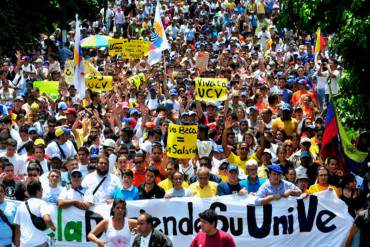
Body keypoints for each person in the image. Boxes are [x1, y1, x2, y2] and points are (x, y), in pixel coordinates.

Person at [13, 180, 56, 247]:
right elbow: (47, 219)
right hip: (39, 243)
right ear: (38, 191)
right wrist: (53, 226)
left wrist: (18, 245)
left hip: (24, 244)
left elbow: (17, 229)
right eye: (42, 190)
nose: (42, 192)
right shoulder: (41, 203)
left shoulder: (21, 206)